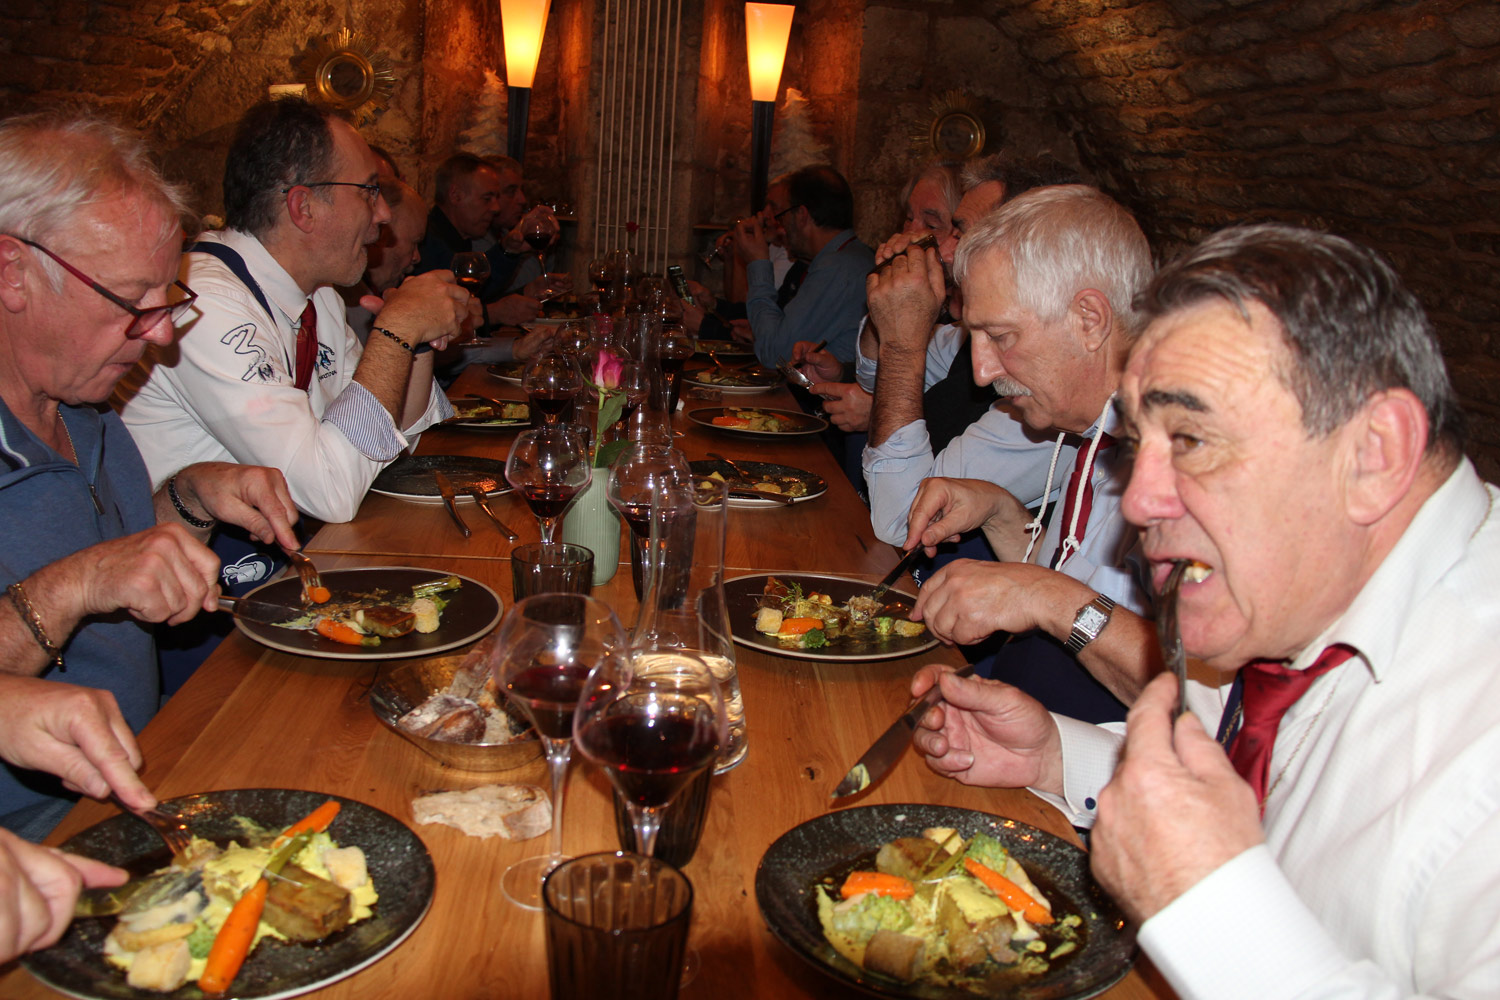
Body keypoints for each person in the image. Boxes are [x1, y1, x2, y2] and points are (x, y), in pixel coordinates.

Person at [915, 223, 1498, 999]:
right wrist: (1058, 755)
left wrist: (1208, 906)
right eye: (1138, 444)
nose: (1140, 503)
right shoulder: (1323, 602)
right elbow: (1255, 763)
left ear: (1374, 453)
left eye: (1190, 437)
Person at [0, 109, 301, 839]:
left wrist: (190, 498)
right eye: (130, 301)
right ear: (12, 272)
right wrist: (77, 584)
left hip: (155, 759)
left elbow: (120, 569)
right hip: (35, 833)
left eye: (165, 299)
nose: (161, 334)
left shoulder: (86, 408)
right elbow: (87, 577)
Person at [870, 186, 1158, 715]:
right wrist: (1001, 513)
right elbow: (1081, 590)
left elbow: (1202, 696)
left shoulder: (1184, 456)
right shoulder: (1088, 427)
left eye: (1001, 336)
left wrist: (1042, 594)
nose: (982, 372)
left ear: (1090, 320)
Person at [117, 98, 474, 525]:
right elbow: (328, 492)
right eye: (369, 191)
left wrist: (416, 341)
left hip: (293, 547)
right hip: (206, 558)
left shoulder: (319, 294)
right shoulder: (203, 305)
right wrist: (395, 330)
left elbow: (386, 445)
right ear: (303, 207)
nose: (383, 214)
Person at [731, 165, 875, 369]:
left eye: (783, 216)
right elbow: (789, 336)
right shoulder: (850, 257)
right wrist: (762, 330)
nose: (781, 227)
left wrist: (757, 262)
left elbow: (776, 356)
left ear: (801, 215)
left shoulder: (839, 268)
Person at [413, 152, 560, 329]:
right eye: (487, 198)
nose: (496, 208)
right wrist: (493, 314)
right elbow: (439, 317)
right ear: (455, 195)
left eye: (496, 198)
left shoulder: (460, 237)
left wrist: (511, 252)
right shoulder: (427, 241)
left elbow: (480, 296)